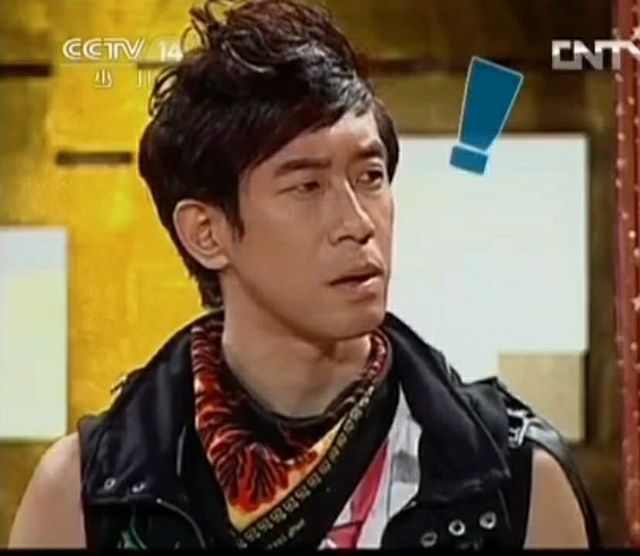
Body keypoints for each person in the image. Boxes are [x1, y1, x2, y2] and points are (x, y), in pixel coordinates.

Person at [9, 0, 600, 549]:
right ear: (206, 232)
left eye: (370, 177)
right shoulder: (85, 498)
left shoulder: (514, 483)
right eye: (307, 186)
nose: (357, 223)